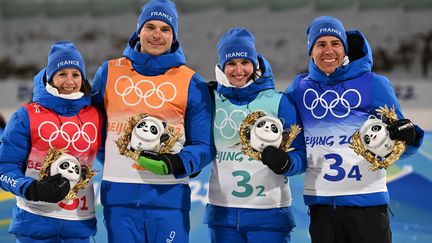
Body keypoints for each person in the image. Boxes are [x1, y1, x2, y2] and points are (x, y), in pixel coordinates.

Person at [285, 16, 425, 243]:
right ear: (311, 52)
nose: (328, 50)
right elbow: (291, 140)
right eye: (321, 44)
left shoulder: (373, 83)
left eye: (335, 43)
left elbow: (399, 138)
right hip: (323, 210)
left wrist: (409, 135)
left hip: (367, 206)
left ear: (345, 48)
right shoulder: (299, 88)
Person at [91, 0, 214, 242]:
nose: (157, 35)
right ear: (139, 31)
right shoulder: (109, 72)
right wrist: (118, 159)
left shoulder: (192, 81)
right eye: (150, 27)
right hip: (119, 199)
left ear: (174, 36)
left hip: (168, 198)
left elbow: (204, 146)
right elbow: (95, 130)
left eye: (165, 29)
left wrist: (177, 164)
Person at [204, 27, 306, 243]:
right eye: (231, 63)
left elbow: (302, 155)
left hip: (269, 215)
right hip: (223, 215)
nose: (238, 70)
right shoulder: (210, 101)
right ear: (222, 67)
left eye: (245, 62)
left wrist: (287, 163)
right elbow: (201, 146)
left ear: (255, 64)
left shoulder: (279, 102)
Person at [0, 41, 102, 242]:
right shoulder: (26, 115)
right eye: (62, 74)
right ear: (50, 77)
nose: (69, 81)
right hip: (35, 223)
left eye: (75, 74)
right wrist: (30, 188)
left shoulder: (96, 115)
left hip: (78, 225)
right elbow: (4, 168)